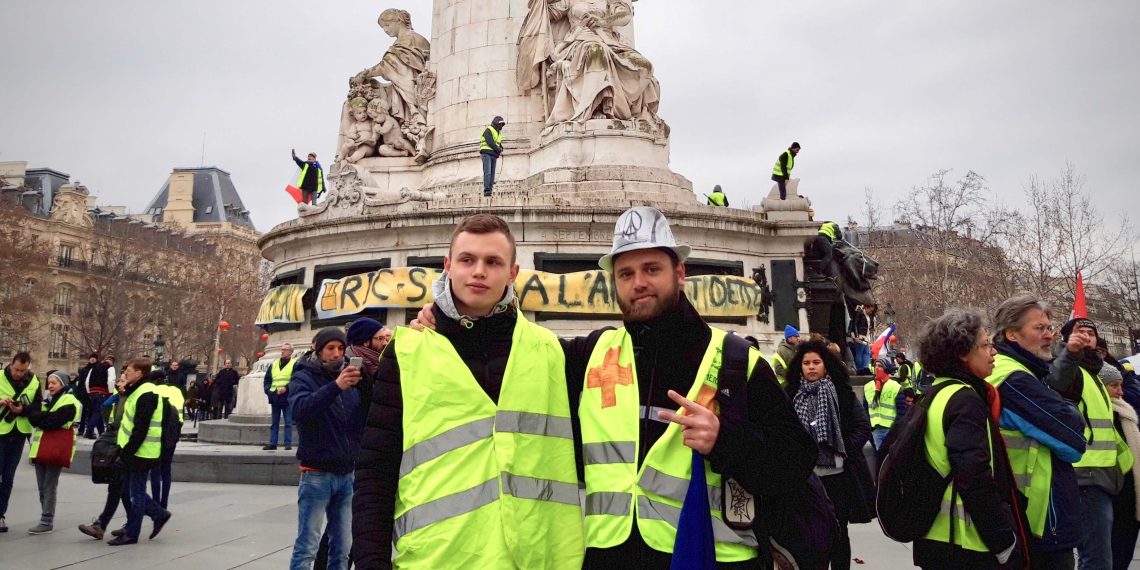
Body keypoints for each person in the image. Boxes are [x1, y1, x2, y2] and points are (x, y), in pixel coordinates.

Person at [412, 206, 819, 568]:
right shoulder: (589, 355)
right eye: (626, 273)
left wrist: (725, 442)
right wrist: (446, 317)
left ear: (679, 272)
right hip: (609, 555)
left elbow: (796, 464)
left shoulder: (734, 361)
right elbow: (503, 351)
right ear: (614, 282)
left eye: (651, 269)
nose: (638, 282)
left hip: (710, 554)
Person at [353, 214, 584, 569]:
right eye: (467, 260)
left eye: (493, 262)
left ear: (512, 273)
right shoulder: (407, 351)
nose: (479, 271)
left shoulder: (552, 351)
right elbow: (375, 470)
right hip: (438, 560)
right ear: (447, 266)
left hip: (539, 558)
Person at [913, 309, 1029, 570]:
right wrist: (1003, 541)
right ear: (962, 353)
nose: (994, 352)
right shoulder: (965, 400)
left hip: (934, 537)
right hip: (966, 542)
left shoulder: (935, 392)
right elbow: (974, 476)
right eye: (986, 344)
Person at [985, 294, 1089, 569]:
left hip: (1031, 516)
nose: (1050, 335)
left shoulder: (1023, 371)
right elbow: (1074, 440)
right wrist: (1068, 405)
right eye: (1039, 328)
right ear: (1011, 334)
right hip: (1039, 520)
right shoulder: (1014, 377)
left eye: (1050, 327)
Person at [785, 340, 876, 570]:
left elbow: (862, 427)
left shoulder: (842, 393)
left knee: (838, 533)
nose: (811, 367)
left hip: (838, 477)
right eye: (806, 363)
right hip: (805, 478)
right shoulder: (790, 395)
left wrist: (843, 450)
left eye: (816, 362)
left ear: (826, 366)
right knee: (809, 534)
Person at [288, 328, 365, 570]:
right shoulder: (303, 376)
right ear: (317, 349)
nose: (336, 354)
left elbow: (354, 422)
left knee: (342, 548)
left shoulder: (348, 380)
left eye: (341, 349)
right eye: (330, 348)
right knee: (307, 546)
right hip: (317, 474)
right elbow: (300, 411)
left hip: (346, 474)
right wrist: (336, 387)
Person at [1060, 317, 1133, 570]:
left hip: (1105, 475)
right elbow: (1057, 380)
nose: (1087, 336)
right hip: (1085, 475)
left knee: (1104, 554)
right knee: (1096, 557)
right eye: (1081, 332)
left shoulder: (1093, 373)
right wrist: (1070, 353)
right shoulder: (1072, 370)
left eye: (1092, 333)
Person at [108, 358, 172, 546]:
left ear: (139, 374)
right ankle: (158, 514)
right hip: (135, 450)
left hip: (142, 452)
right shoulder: (138, 391)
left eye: (128, 370)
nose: (125, 373)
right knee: (131, 490)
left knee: (135, 493)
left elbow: (140, 428)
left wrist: (126, 454)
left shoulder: (146, 394)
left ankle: (132, 533)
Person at [24, 370, 82, 535]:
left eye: (54, 383)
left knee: (49, 485)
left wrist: (40, 417)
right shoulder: (47, 402)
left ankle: (47, 520)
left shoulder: (69, 400)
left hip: (55, 449)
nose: (50, 386)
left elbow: (51, 421)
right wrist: (41, 417)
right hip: (41, 450)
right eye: (49, 382)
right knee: (42, 486)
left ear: (63, 384)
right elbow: (36, 418)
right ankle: (45, 516)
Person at [78, 376, 132, 540]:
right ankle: (128, 524)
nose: (118, 384)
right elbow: (106, 407)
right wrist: (116, 396)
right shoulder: (122, 397)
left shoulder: (131, 398)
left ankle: (102, 525)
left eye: (123, 381)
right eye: (119, 381)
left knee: (120, 487)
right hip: (118, 441)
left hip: (125, 445)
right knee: (119, 488)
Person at [0, 351, 41, 533]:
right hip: (1, 431)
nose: (18, 373)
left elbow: (37, 408)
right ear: (11, 364)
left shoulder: (34, 381)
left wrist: (22, 409)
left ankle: (1, 515)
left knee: (8, 477)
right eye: (16, 369)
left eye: (22, 371)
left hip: (18, 434)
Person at [1104, 364, 1140, 570]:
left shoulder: (1125, 409)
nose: (1120, 391)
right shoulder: (1106, 412)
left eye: (1121, 385)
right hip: (1115, 489)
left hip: (1129, 489)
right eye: (1114, 386)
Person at [150, 370, 184, 509]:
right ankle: (164, 503)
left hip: (157, 434)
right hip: (174, 432)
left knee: (155, 471)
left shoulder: (153, 391)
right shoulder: (176, 391)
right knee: (166, 470)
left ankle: (156, 502)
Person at [863, 358, 906, 454]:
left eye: (880, 366)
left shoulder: (895, 386)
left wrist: (895, 430)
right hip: (875, 430)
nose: (877, 368)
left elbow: (902, 411)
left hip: (891, 430)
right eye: (876, 366)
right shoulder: (868, 386)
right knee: (881, 459)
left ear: (886, 369)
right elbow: (865, 409)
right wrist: (870, 428)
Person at [344, 319, 388, 406]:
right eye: (380, 338)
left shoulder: (380, 363)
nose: (385, 343)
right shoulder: (348, 367)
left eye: (385, 338)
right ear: (366, 342)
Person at [263, 343, 296, 451]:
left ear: (291, 352)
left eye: (285, 350)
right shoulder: (274, 364)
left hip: (287, 397)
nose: (282, 351)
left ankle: (287, 443)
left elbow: (295, 380)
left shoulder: (294, 364)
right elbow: (267, 380)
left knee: (288, 422)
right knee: (274, 422)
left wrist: (286, 388)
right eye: (282, 349)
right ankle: (273, 443)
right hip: (275, 396)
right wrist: (269, 392)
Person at [81, 354, 113, 439]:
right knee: (98, 412)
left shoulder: (94, 368)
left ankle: (101, 432)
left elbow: (87, 381)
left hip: (92, 393)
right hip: (102, 392)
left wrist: (89, 392)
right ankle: (89, 431)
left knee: (95, 412)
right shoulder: (110, 368)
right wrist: (110, 392)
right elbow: (111, 381)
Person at [479, 116, 505, 197]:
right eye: (501, 124)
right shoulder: (488, 129)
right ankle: (486, 190)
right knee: (488, 172)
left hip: (493, 154)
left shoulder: (498, 133)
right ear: (497, 123)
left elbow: (497, 143)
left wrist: (501, 147)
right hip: (486, 153)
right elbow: (490, 142)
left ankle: (490, 190)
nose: (502, 127)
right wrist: (498, 149)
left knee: (492, 173)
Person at [848, 304, 877, 374]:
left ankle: (865, 367)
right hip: (860, 336)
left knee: (866, 353)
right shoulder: (859, 313)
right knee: (860, 352)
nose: (871, 312)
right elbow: (855, 324)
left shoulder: (868, 316)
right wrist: (856, 335)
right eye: (870, 310)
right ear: (866, 308)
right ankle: (860, 368)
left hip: (866, 336)